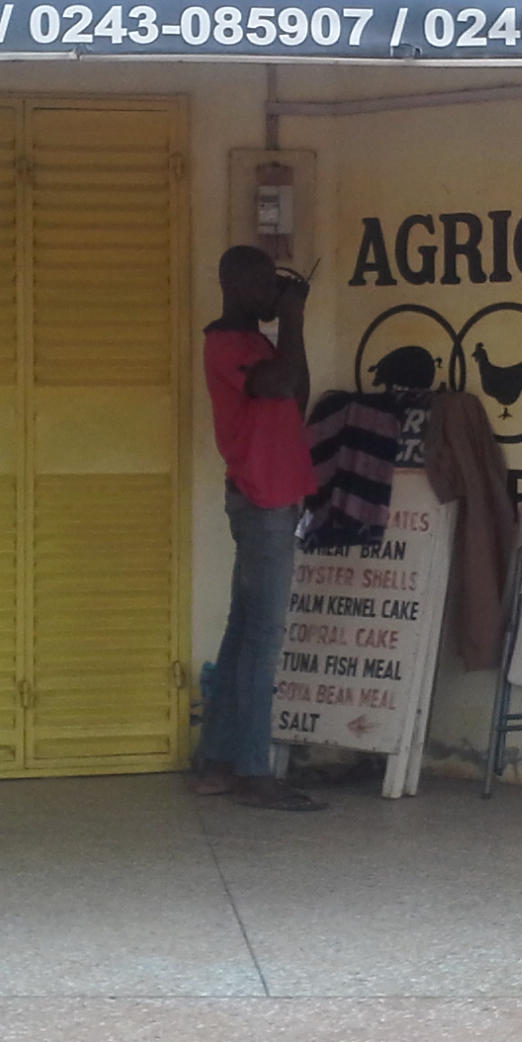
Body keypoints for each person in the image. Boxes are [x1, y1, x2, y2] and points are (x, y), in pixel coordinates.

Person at [195, 244, 325, 811]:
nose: (275, 294)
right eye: (267, 284)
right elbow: (276, 386)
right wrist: (293, 317)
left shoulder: (257, 343)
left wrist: (289, 327)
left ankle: (220, 762)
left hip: (273, 496)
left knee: (242, 631)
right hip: (263, 500)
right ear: (238, 285)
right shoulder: (225, 342)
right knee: (263, 639)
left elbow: (296, 390)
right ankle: (255, 771)